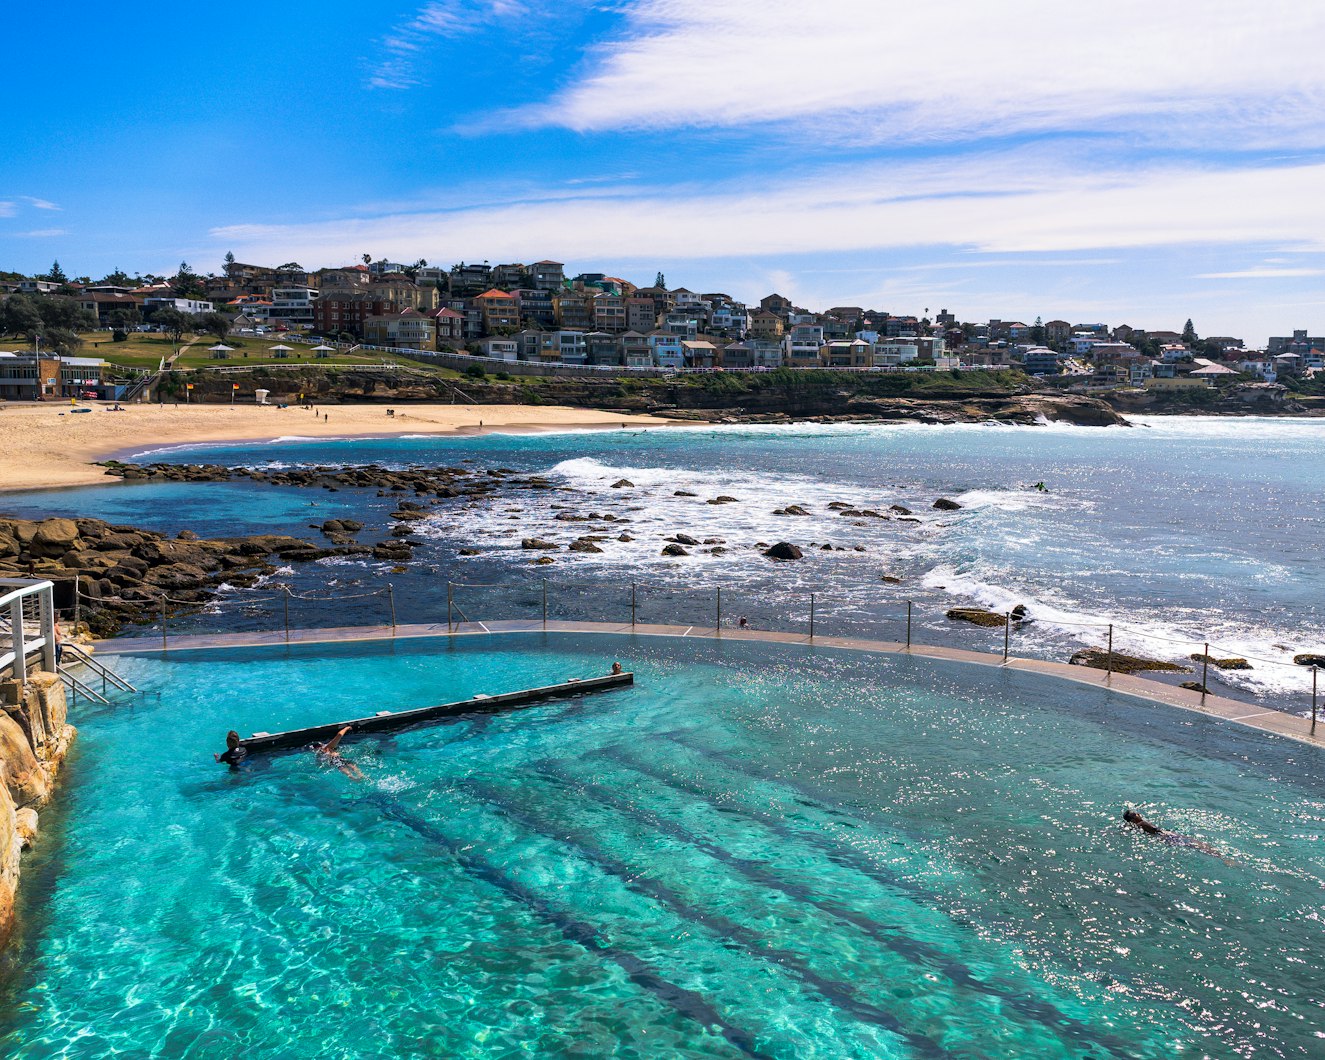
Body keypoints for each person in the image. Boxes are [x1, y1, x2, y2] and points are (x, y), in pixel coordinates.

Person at [1123, 808, 1223, 855]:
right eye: (1136, 814)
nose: (1138, 814)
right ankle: (1219, 855)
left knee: (1192, 845)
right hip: (1166, 836)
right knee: (1194, 843)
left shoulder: (1135, 826)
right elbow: (1155, 830)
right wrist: (1167, 833)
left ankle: (1215, 853)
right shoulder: (1142, 823)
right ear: (1133, 818)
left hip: (1163, 839)